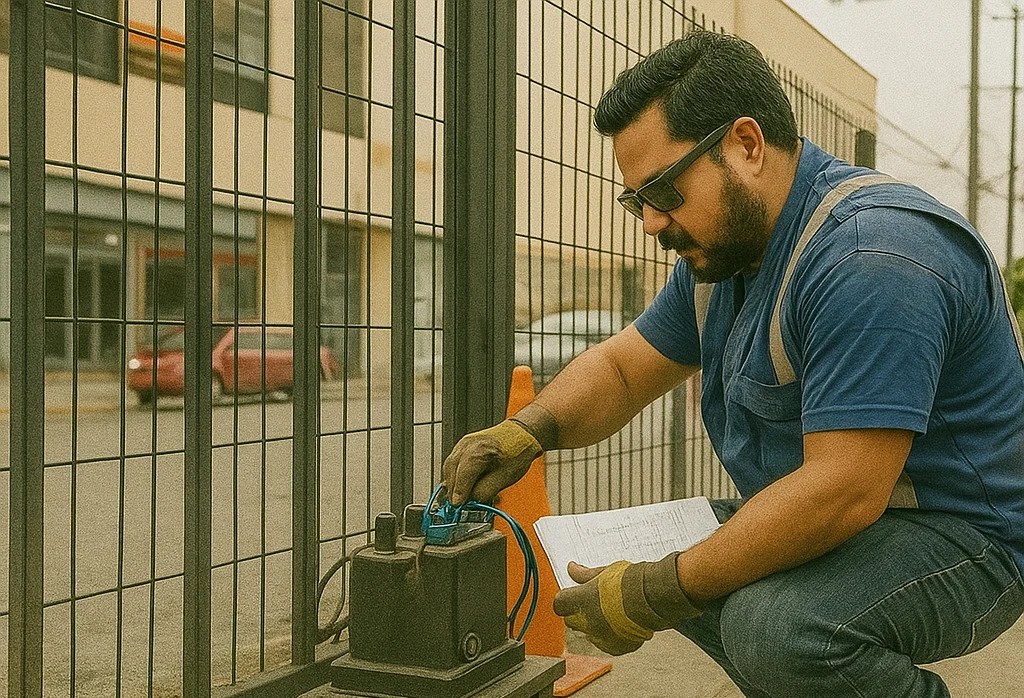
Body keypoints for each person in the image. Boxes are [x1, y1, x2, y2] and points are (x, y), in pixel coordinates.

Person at [441, 30, 1024, 697]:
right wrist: (530, 430)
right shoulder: (726, 257)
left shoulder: (871, 258)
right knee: (665, 573)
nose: (651, 223)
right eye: (638, 201)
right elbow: (625, 370)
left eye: (663, 190)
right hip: (857, 513)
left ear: (745, 144)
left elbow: (843, 493)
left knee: (777, 631)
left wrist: (660, 590)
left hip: (964, 540)